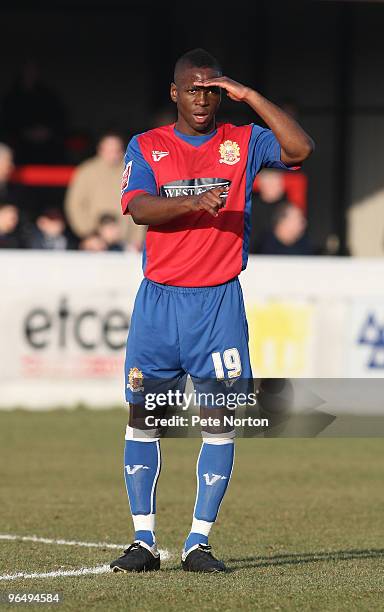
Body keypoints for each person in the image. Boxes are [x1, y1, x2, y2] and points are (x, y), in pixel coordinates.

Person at [110, 48, 313, 574]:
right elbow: (137, 208)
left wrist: (250, 97)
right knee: (144, 421)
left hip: (218, 303)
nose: (203, 99)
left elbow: (301, 147)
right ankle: (143, 541)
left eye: (212, 89)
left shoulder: (243, 140)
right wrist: (191, 203)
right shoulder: (148, 146)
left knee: (219, 423)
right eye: (193, 89)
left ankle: (198, 543)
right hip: (159, 301)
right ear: (175, 93)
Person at [64, 132, 145, 251]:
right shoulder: (86, 171)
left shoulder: (131, 171)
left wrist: (138, 238)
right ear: (100, 150)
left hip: (128, 244)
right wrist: (89, 234)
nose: (113, 154)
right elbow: (75, 205)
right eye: (109, 150)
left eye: (116, 150)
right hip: (95, 244)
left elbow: (141, 204)